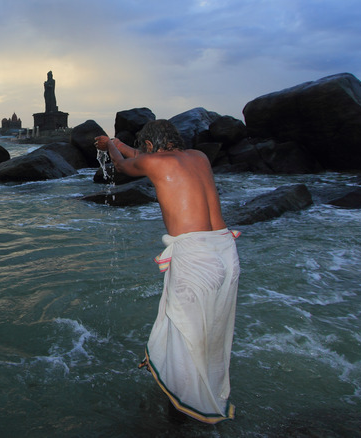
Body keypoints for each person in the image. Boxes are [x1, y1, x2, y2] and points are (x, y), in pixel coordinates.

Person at [95, 120, 240, 424]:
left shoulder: (151, 161)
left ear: (149, 146)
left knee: (184, 334)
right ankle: (205, 395)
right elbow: (142, 155)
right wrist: (117, 142)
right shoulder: (199, 157)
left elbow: (124, 166)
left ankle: (184, 412)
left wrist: (110, 147)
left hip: (196, 257)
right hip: (226, 251)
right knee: (211, 331)